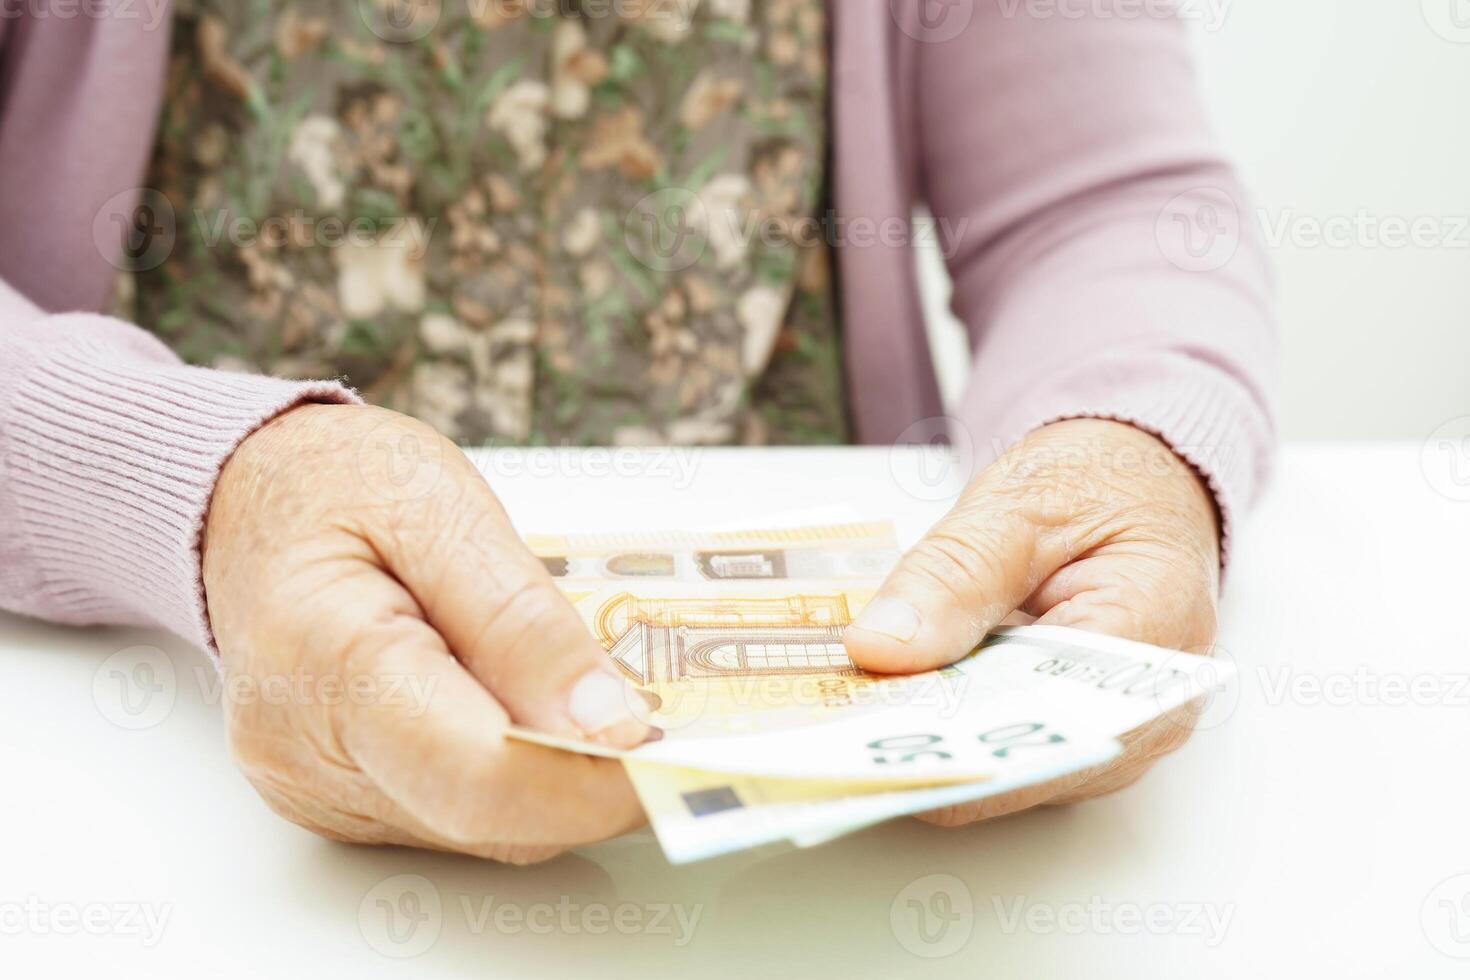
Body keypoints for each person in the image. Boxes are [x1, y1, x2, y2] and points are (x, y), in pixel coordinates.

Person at [0, 0, 1274, 864]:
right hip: (149, 776)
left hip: (831, 865)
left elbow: (1107, 206)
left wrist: (1128, 438)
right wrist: (193, 481)